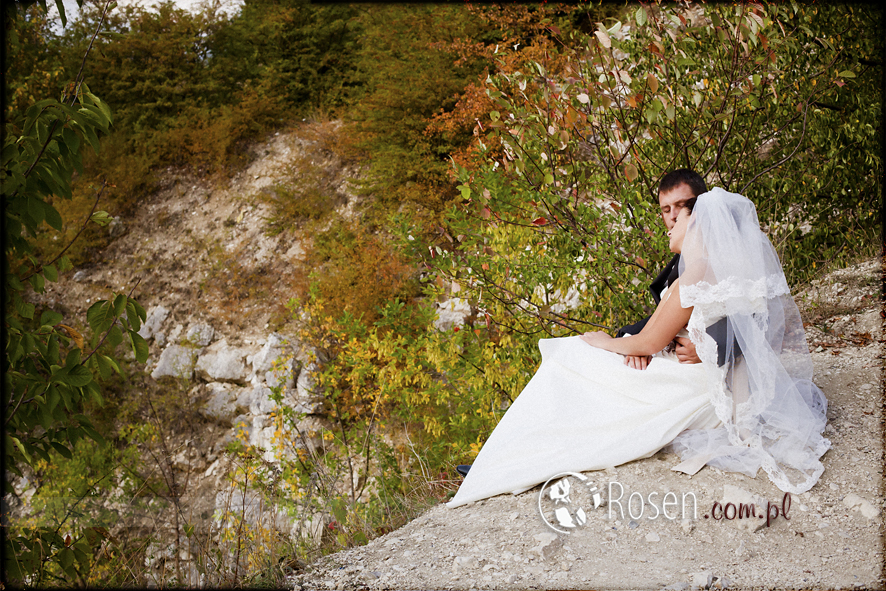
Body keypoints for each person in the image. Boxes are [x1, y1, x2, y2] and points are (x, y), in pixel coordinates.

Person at [447, 188, 829, 508]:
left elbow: (652, 339)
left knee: (574, 357)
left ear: (697, 226)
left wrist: (608, 341)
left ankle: (506, 462)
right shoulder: (723, 271)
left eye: (677, 219)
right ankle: (504, 457)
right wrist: (632, 345)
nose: (670, 225)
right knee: (586, 366)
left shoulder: (694, 274)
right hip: (706, 377)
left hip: (696, 382)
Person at [617, 169, 708, 370]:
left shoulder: (721, 259)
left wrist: (711, 347)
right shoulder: (681, 262)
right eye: (666, 210)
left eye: (682, 206)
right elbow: (663, 322)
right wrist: (633, 342)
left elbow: (758, 316)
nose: (674, 216)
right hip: (663, 359)